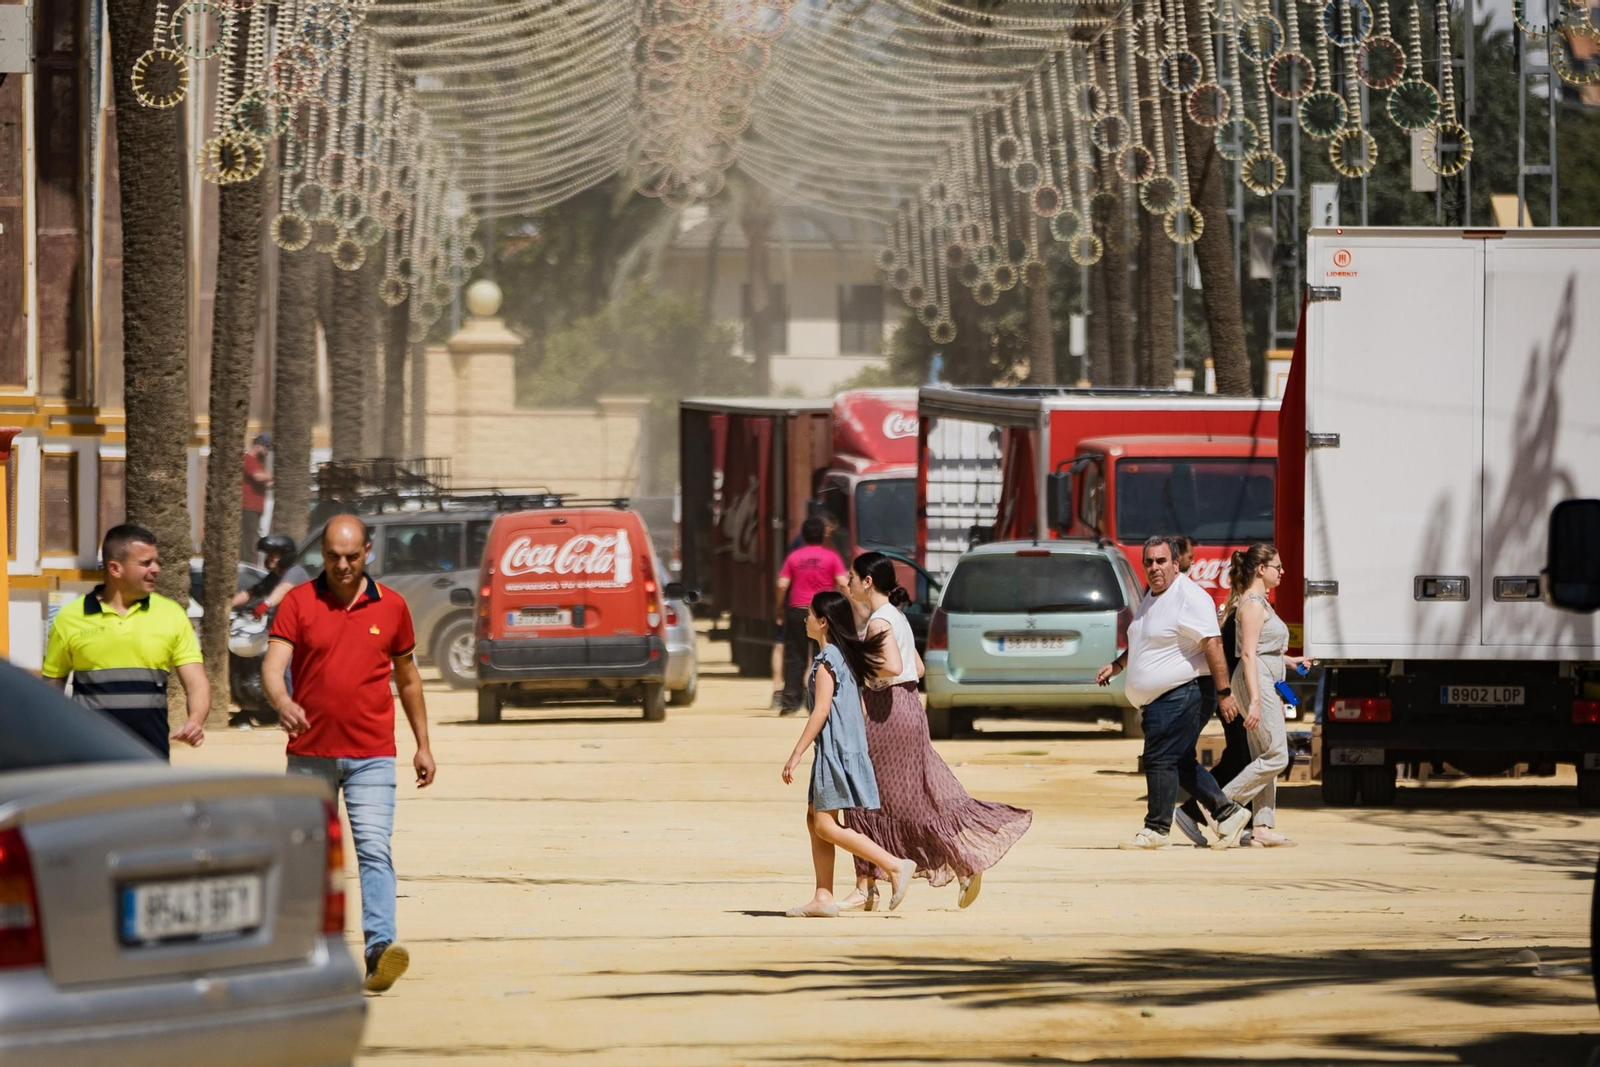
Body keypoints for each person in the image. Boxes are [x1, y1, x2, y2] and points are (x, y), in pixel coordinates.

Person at [262, 515, 437, 993]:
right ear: (322, 554)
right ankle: (311, 951)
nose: (342, 565)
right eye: (333, 556)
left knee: (374, 850)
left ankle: (380, 948)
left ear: (368, 553)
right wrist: (282, 701)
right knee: (311, 857)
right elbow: (274, 666)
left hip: (372, 755)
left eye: (352, 556)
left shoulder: (394, 607)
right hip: (309, 756)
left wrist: (423, 745)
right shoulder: (298, 602)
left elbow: (408, 680)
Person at [840, 552, 1032, 911]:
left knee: (862, 797)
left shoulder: (880, 622)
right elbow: (915, 666)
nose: (847, 581)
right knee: (910, 799)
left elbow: (894, 666)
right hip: (909, 708)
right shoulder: (896, 617)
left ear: (867, 581)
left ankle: (868, 886)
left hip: (888, 713)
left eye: (852, 576)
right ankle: (957, 864)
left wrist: (861, 668)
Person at [1097, 535, 1253, 850]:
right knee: (1178, 761)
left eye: (1161, 560)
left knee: (1158, 758)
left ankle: (1156, 828)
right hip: (1159, 699)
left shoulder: (1189, 597)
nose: (1154, 567)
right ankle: (1227, 813)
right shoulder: (1152, 597)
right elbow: (1144, 642)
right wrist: (1117, 666)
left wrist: (1224, 693)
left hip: (1185, 692)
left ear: (1176, 561)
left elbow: (1213, 643)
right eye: (1149, 562)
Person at [781, 591, 917, 917]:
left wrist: (796, 753)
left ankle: (895, 865)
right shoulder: (844, 657)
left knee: (825, 826)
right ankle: (823, 897)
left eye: (810, 614)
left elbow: (821, 710)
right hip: (843, 749)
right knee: (815, 819)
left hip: (833, 752)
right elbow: (861, 710)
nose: (805, 619)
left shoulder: (827, 660)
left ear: (823, 622)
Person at [42, 524, 210, 757]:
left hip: (151, 754)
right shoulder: (70, 618)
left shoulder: (171, 614)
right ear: (115, 568)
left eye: (156, 561)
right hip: (89, 755)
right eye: (145, 563)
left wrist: (195, 720)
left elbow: (196, 683)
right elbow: (52, 687)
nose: (156, 569)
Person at [1218, 544, 1312, 848]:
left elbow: (1261, 650)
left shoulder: (1260, 603)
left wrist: (1291, 662)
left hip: (1264, 678)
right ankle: (1222, 806)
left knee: (1264, 755)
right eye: (1278, 566)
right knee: (1277, 755)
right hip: (1255, 682)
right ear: (1262, 569)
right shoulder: (1253, 605)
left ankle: (1261, 827)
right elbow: (1246, 654)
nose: (1282, 572)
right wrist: (1255, 700)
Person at [1170, 535, 1251, 847]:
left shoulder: (1233, 608)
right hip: (1236, 694)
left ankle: (1234, 817)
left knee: (1241, 757)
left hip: (1235, 692)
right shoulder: (1242, 611)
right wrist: (1228, 693)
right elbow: (1241, 656)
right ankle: (1200, 810)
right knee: (1244, 758)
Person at [775, 517, 848, 716]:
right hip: (824, 612)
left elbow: (782, 584)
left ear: (804, 535)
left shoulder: (794, 557)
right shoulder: (831, 557)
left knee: (794, 656)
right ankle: (818, 702)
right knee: (823, 656)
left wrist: (780, 607)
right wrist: (850, 605)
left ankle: (790, 703)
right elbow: (842, 582)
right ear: (823, 535)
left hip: (798, 610)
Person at [232, 533, 300, 611]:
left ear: (286, 557)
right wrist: (229, 605)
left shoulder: (296, 571)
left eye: (275, 555)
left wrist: (266, 604)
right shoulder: (274, 576)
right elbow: (252, 593)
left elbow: (282, 589)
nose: (270, 558)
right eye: (269, 555)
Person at [241, 434, 274, 564]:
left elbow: (267, 483)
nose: (266, 452)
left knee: (252, 539)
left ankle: (249, 563)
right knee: (248, 540)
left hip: (255, 508)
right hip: (248, 507)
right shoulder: (249, 459)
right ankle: (246, 564)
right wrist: (272, 475)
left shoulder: (258, 463)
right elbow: (258, 477)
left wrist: (270, 477)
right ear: (258, 446)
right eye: (266, 448)